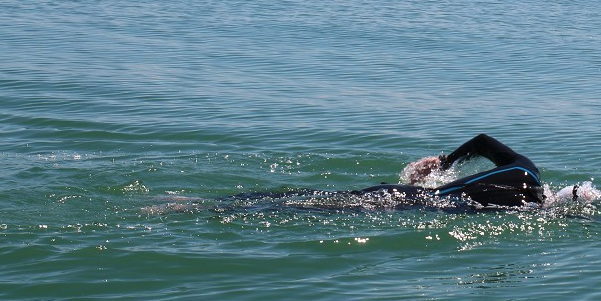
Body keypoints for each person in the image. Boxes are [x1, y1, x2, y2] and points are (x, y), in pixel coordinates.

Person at [218, 133, 549, 212]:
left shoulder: (525, 169)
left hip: (404, 194)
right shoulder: (519, 200)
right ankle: (208, 206)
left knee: (315, 200)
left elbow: (482, 141)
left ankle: (221, 203)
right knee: (316, 206)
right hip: (406, 201)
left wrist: (445, 164)